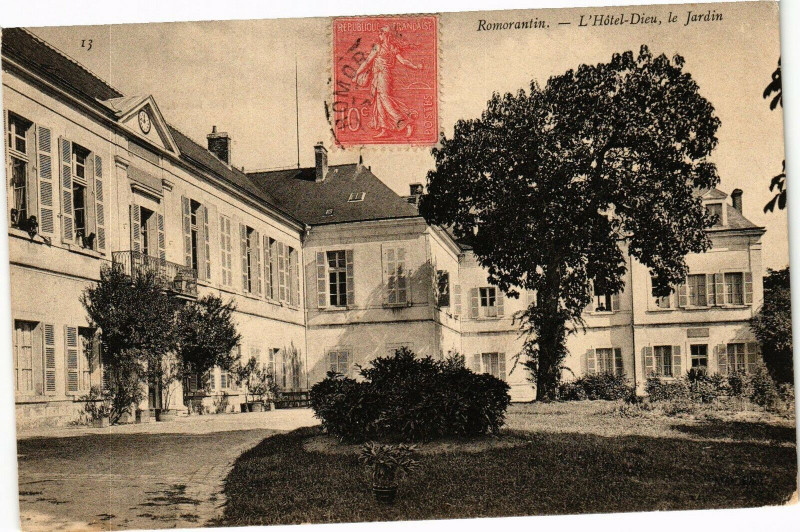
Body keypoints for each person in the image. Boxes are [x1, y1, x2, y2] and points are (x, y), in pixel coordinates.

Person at [352, 26, 423, 138]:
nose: (379, 35)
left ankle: (405, 121)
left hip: (383, 76)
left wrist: (357, 73)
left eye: (381, 33)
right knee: (379, 101)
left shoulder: (379, 47)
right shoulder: (392, 48)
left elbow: (367, 62)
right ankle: (384, 129)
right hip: (380, 76)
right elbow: (403, 61)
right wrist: (415, 66)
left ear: (386, 35)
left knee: (384, 99)